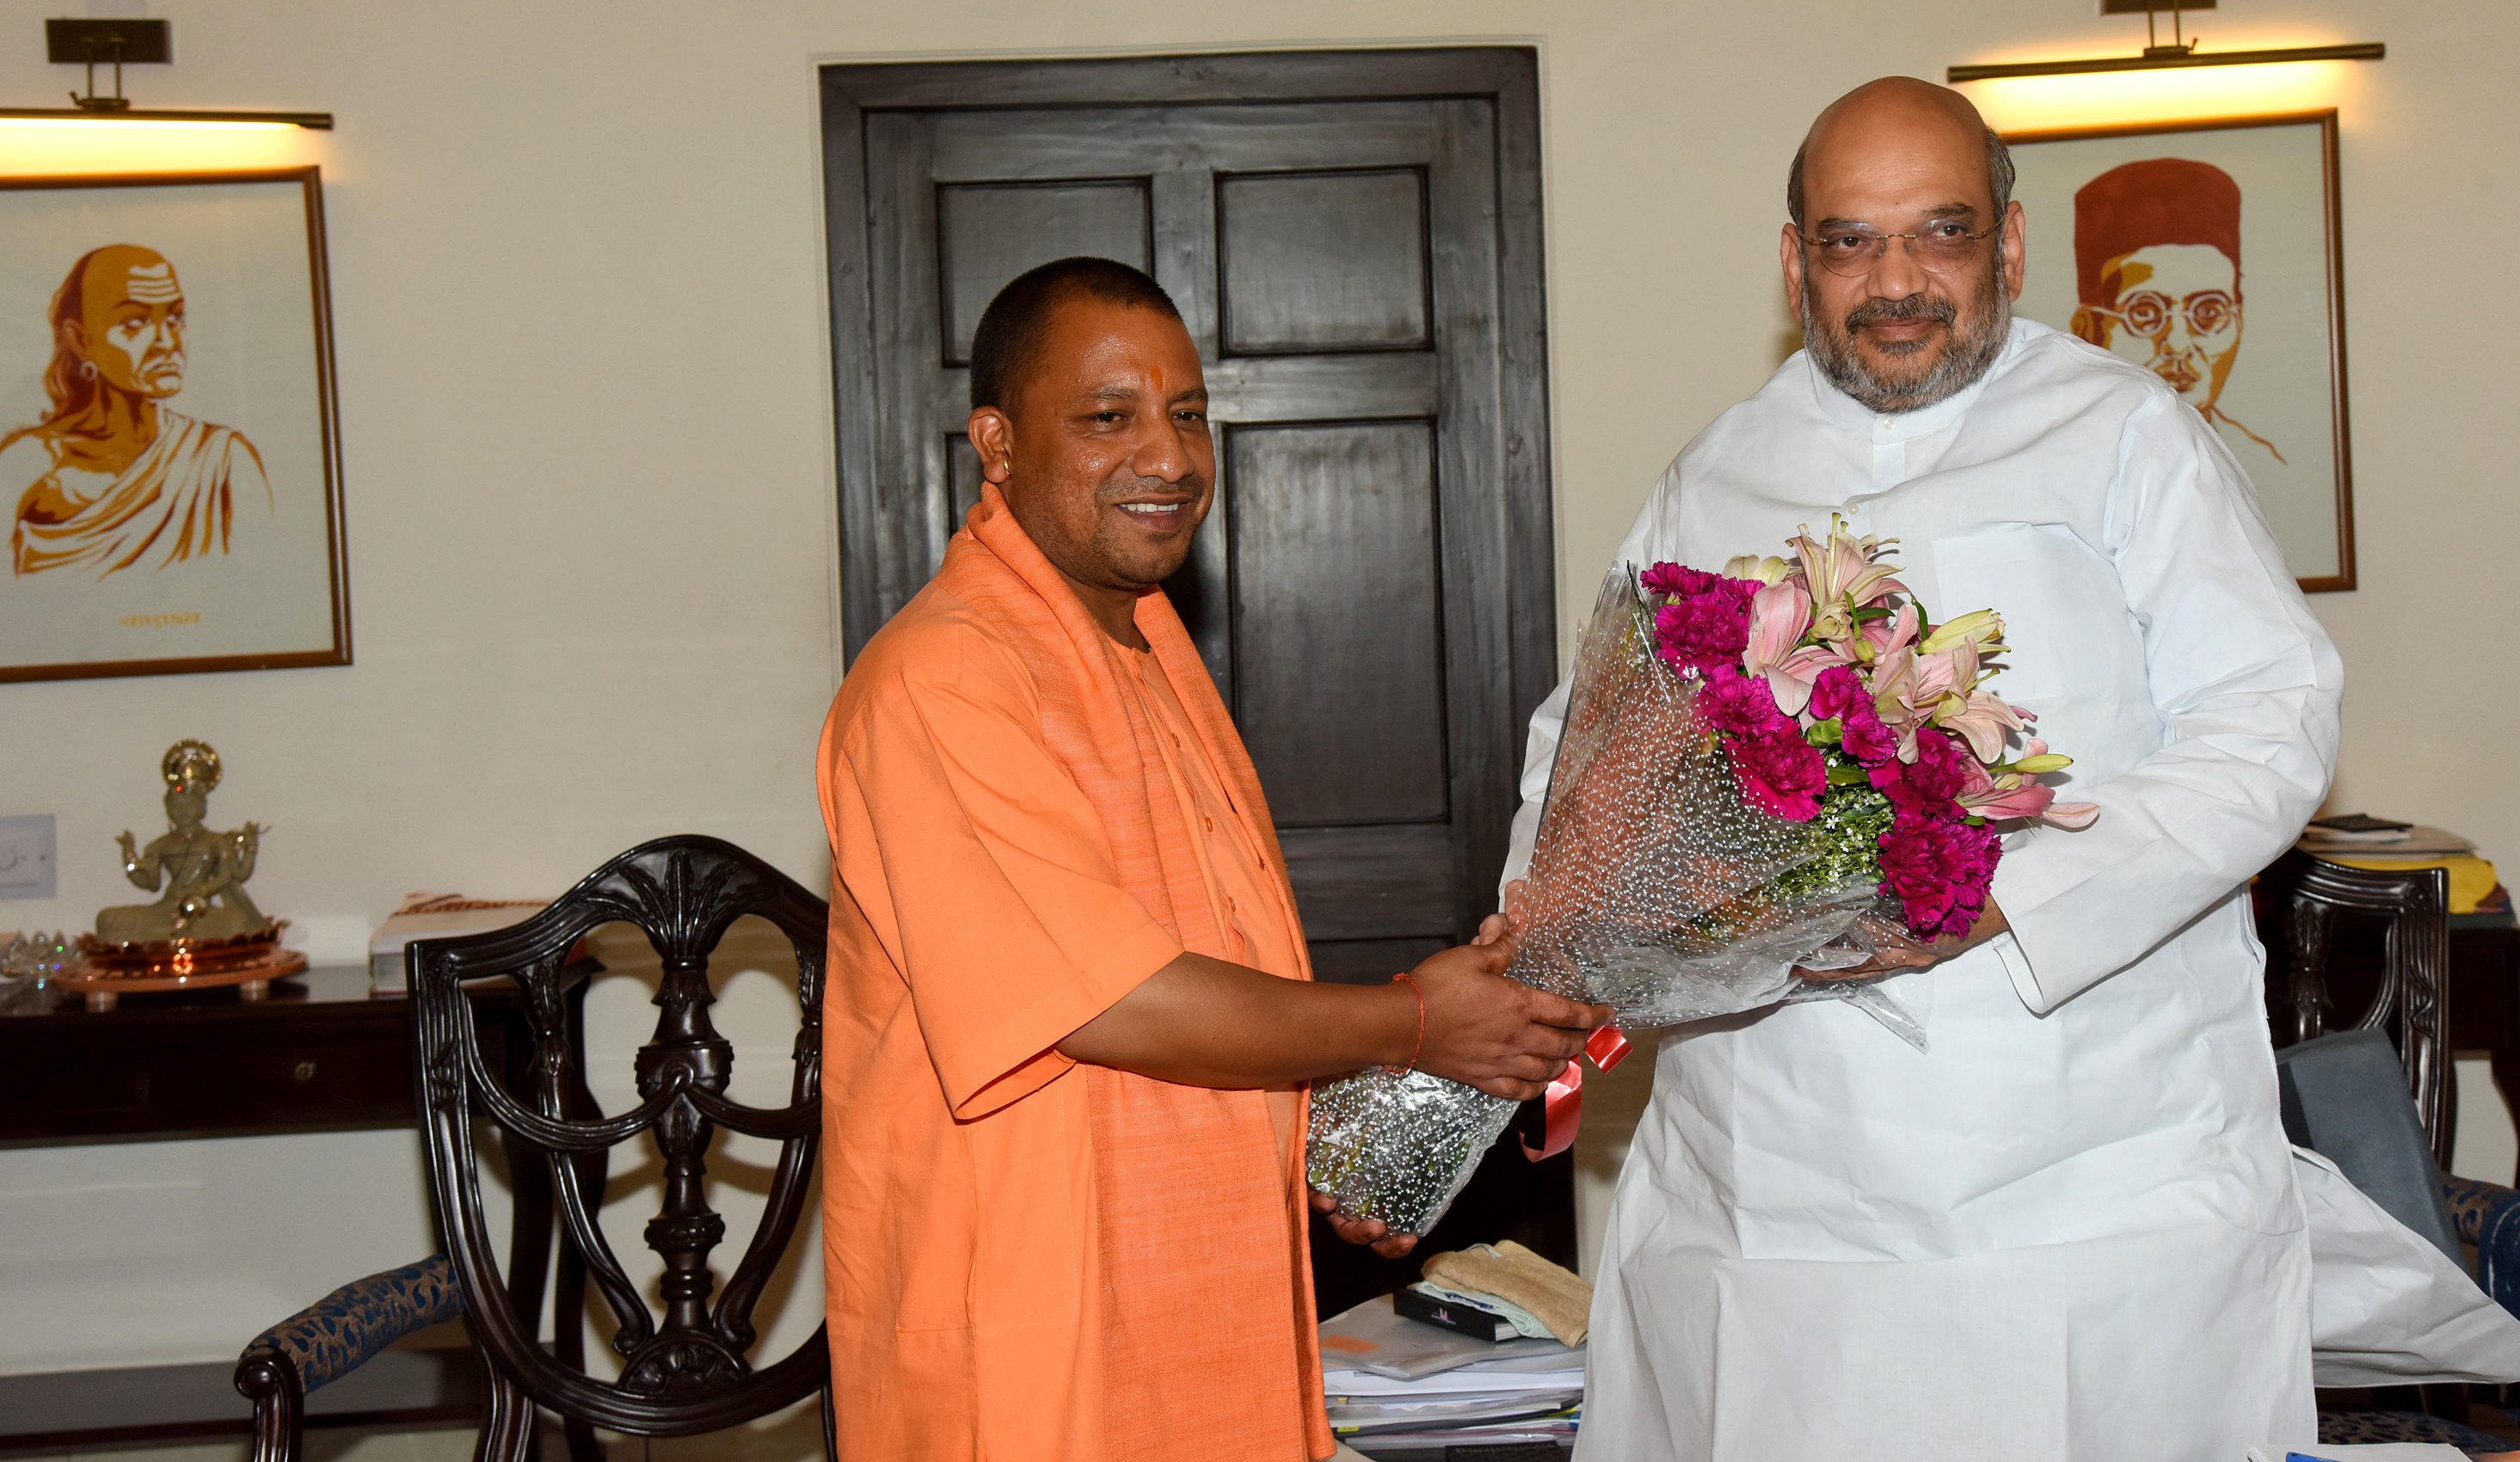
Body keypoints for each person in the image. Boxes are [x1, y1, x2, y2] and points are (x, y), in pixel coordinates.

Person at [1515, 79, 2340, 1459]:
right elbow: (1589, 744)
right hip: (1770, 1185)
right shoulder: (1716, 474)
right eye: (1849, 242)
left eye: (1939, 235)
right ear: (1795, 264)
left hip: (2086, 1174)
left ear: (2010, 249)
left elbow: (2273, 721)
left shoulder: (2131, 439)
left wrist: (1996, 901)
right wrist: (1554, 932)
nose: (1896, 283)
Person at [814, 257, 1611, 1462]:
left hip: (1186, 1277)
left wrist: (1352, 1132)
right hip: (1039, 1308)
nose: (1171, 456)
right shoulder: (944, 678)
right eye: (1107, 417)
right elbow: (1111, 1000)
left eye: (1188, 414)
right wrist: (1411, 1025)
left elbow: (1215, 962)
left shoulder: (1140, 649)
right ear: (997, 440)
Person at [3, 244, 271, 576]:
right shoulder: (28, 463)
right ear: (81, 341)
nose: (167, 341)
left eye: (175, 318)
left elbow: (264, 590)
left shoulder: (223, 459)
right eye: (135, 322)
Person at [2066, 157, 2284, 464]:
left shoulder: (2268, 465)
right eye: (2144, 314)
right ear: (2087, 330)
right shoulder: (2061, 473)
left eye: (2208, 313)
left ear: (2239, 319)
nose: (2179, 346)